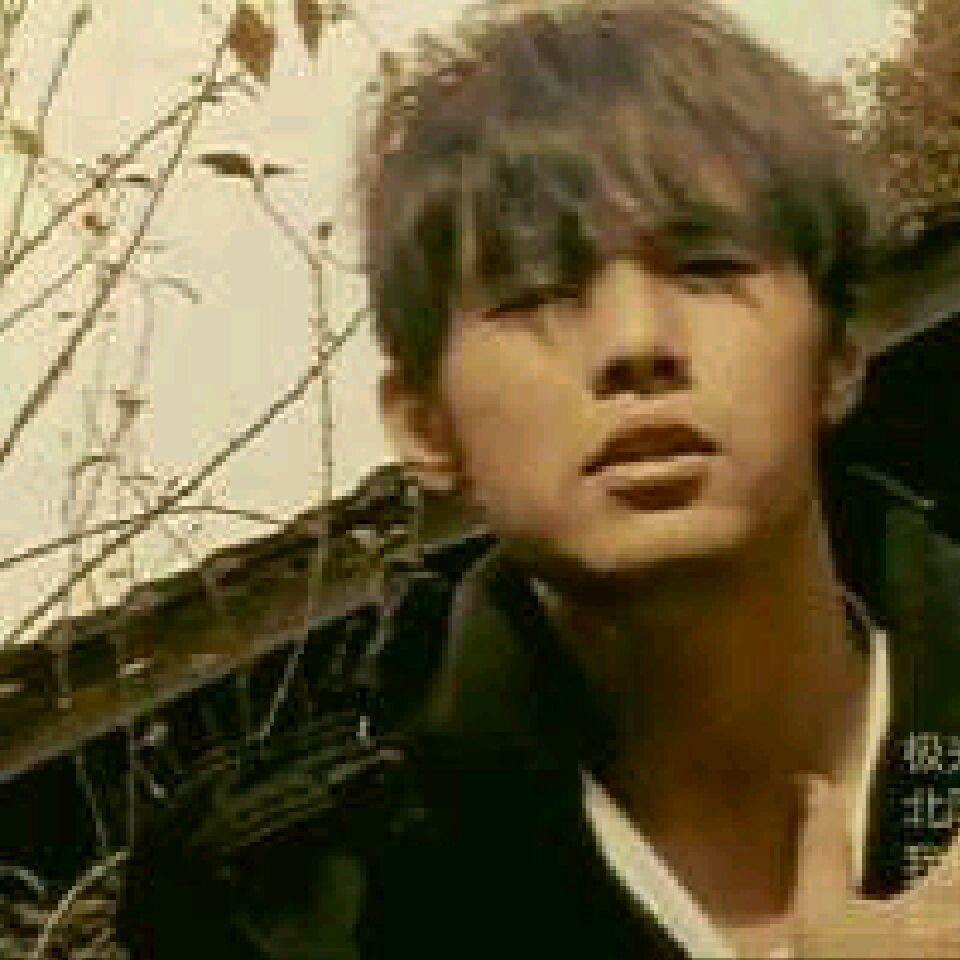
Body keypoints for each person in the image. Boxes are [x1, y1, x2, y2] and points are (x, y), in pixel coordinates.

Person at [118, 0, 960, 956]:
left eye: (708, 268)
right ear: (425, 425)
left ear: (839, 355)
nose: (636, 345)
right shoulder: (302, 912)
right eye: (537, 296)